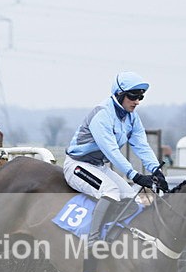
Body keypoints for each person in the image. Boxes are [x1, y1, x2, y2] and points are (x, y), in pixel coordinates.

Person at [63, 71, 166, 243]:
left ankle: (113, 235)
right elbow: (111, 150)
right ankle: (93, 239)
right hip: (77, 165)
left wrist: (156, 170)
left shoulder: (132, 118)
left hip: (99, 166)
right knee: (110, 191)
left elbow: (141, 145)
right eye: (133, 96)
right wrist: (135, 175)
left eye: (141, 97)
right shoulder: (102, 114)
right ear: (119, 94)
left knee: (128, 196)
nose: (137, 102)